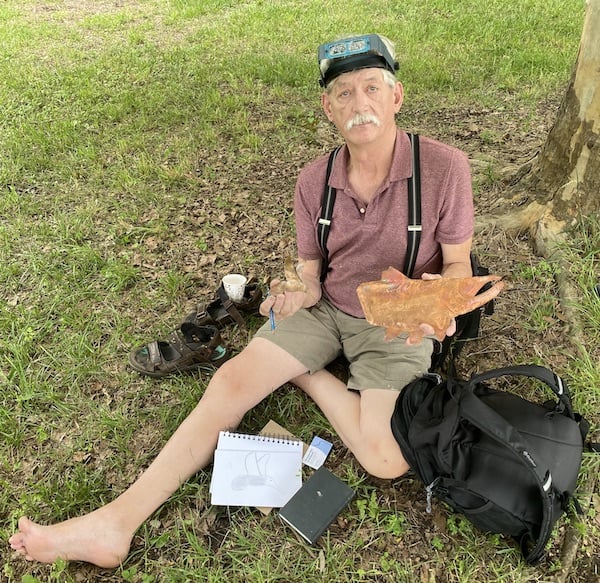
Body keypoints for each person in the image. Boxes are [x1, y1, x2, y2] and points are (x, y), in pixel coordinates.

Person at [9, 33, 473, 568]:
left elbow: (458, 267)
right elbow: (311, 275)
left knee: (387, 459)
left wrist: (436, 305)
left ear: (396, 96)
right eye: (343, 92)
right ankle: (115, 524)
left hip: (396, 323)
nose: (359, 103)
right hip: (328, 313)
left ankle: (306, 373)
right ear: (327, 107)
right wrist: (294, 291)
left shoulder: (444, 169)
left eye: (372, 87)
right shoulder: (313, 181)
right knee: (228, 383)